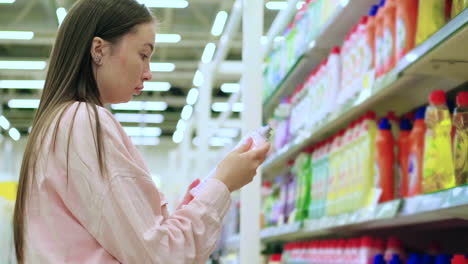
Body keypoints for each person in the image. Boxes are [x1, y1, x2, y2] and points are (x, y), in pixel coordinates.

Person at [12, 0, 270, 263]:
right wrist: (223, 184)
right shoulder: (84, 121)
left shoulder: (57, 123)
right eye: (143, 55)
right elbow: (160, 255)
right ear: (98, 49)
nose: (148, 73)